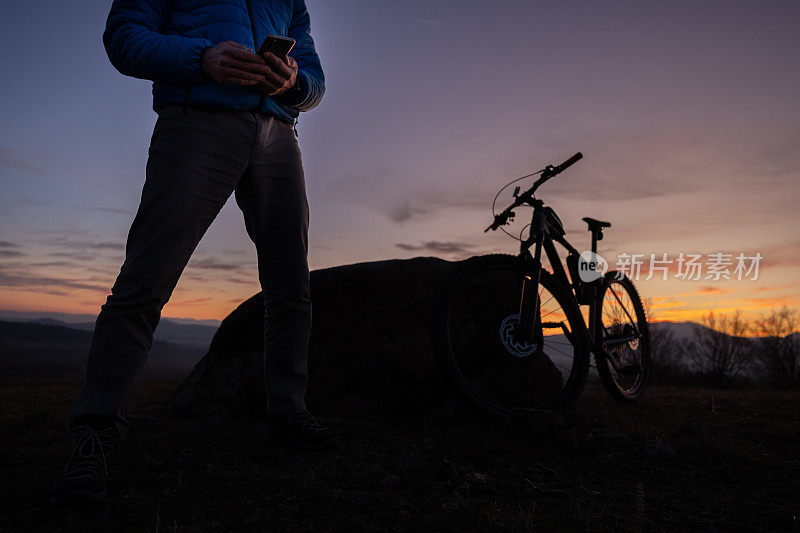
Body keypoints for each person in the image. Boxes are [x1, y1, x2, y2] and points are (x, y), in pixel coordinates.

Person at [50, 0, 335, 507]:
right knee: (145, 282)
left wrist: (292, 82)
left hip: (277, 135)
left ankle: (287, 411)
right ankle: (94, 432)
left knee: (291, 288)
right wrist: (203, 59)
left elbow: (314, 78)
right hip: (196, 124)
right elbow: (124, 37)